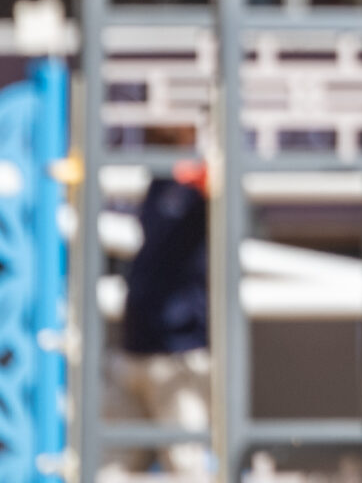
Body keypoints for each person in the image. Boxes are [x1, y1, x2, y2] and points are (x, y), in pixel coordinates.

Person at [113, 127, 212, 480]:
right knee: (110, 465)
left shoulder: (201, 179)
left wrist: (201, 171)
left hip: (179, 350)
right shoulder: (158, 177)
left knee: (187, 467)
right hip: (134, 348)